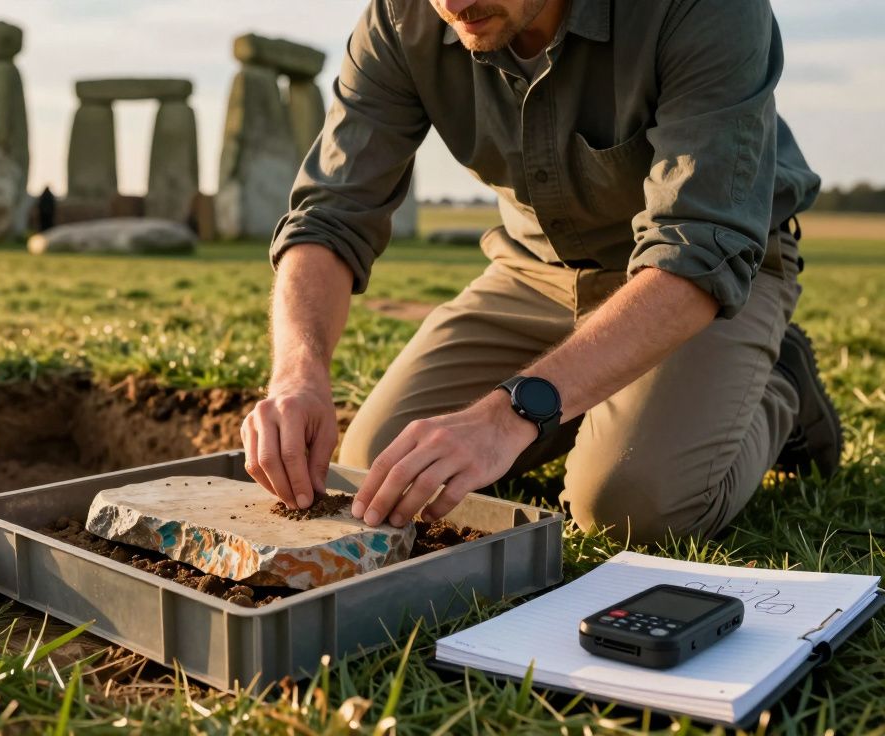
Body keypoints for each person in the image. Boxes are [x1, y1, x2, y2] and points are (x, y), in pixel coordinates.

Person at [240, 0, 841, 546]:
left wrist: (508, 415)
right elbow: (329, 214)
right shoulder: (400, 18)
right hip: (535, 272)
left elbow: (699, 247)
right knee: (382, 466)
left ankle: (778, 381)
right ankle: (589, 401)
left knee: (629, 508)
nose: (453, 5)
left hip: (702, 284)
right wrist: (298, 373)